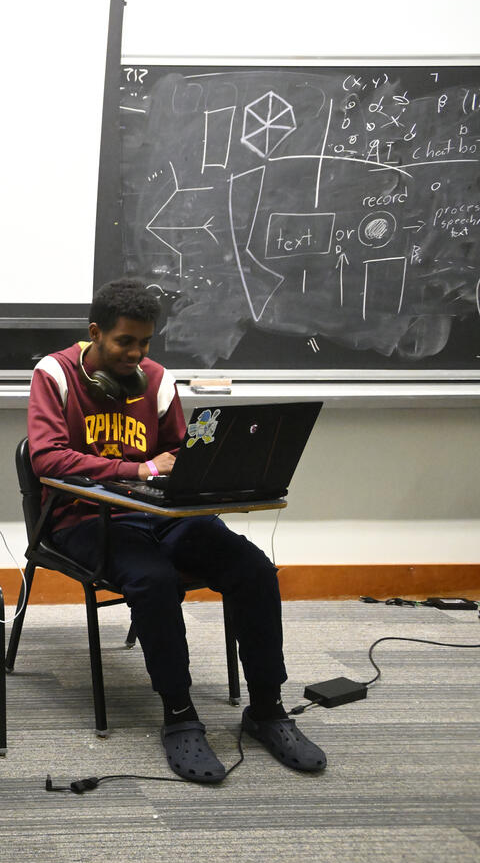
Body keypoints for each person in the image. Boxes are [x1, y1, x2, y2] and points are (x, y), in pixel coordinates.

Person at [26, 277, 327, 783]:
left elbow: (181, 457)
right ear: (96, 332)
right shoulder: (54, 374)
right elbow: (46, 457)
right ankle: (180, 716)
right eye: (125, 342)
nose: (137, 354)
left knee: (252, 569)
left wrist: (215, 476)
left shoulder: (157, 379)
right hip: (84, 519)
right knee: (156, 581)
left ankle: (268, 708)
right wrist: (136, 470)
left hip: (160, 515)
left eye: (145, 342)